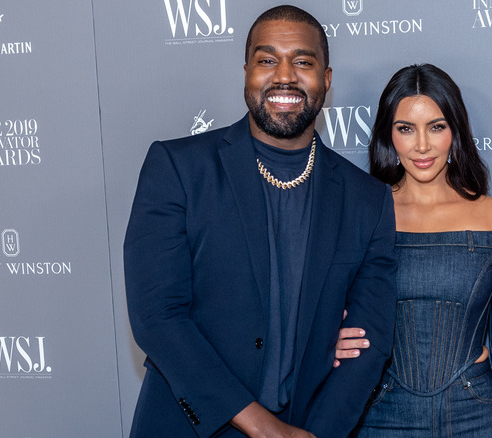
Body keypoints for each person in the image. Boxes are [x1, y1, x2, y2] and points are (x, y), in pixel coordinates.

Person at [123, 6, 397, 437]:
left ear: (326, 79)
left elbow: (371, 339)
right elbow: (158, 317)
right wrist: (266, 429)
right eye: (267, 60)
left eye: (302, 62)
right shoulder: (178, 168)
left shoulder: (368, 199)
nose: (284, 76)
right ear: (246, 71)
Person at [336, 64, 492, 437]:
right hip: (378, 415)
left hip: (473, 415)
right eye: (406, 128)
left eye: (437, 127)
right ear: (388, 136)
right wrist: (327, 340)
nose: (422, 145)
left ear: (455, 133)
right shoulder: (361, 216)